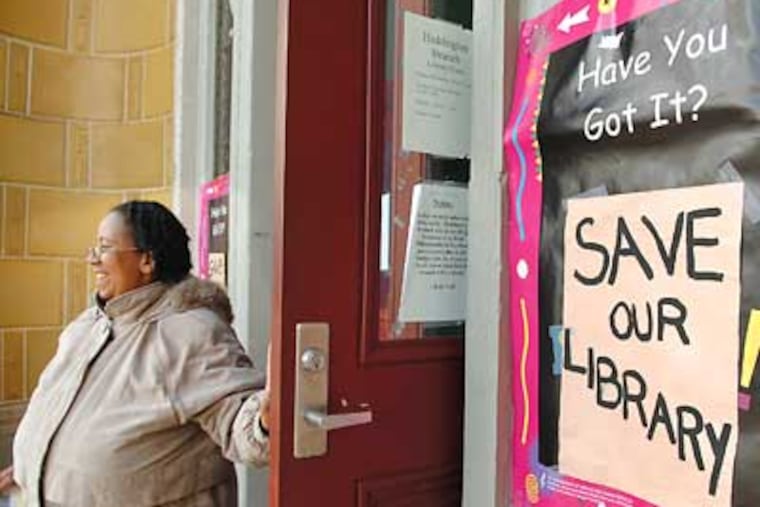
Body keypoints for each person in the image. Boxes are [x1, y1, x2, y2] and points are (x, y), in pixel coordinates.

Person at [0, 201, 270, 506]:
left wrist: (265, 416)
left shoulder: (191, 332)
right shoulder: (88, 325)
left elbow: (242, 427)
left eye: (104, 248)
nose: (92, 259)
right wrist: (37, 465)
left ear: (146, 260)